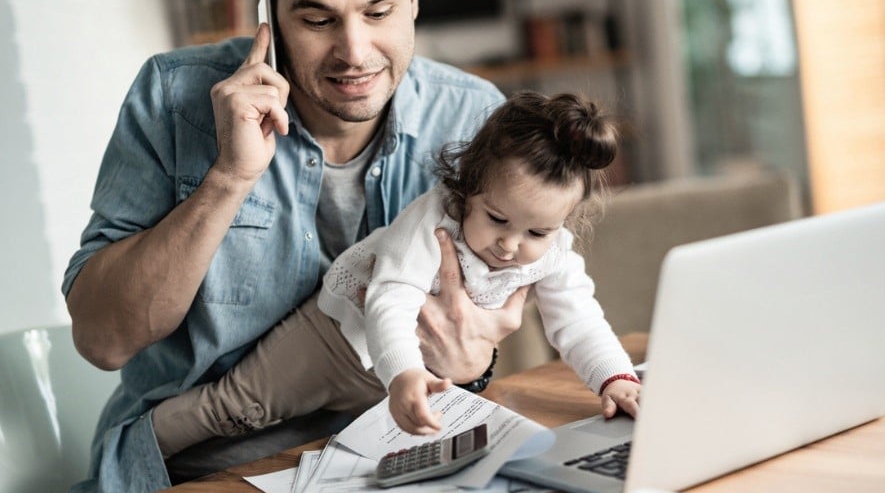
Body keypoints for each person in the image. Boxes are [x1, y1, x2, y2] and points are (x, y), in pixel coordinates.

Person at [61, 0, 519, 493]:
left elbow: (487, 323)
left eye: (379, 11)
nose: (354, 51)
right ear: (269, 14)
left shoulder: (476, 120)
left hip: (397, 461)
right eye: (317, 18)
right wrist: (228, 178)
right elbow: (102, 340)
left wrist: (477, 359)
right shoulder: (172, 101)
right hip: (199, 475)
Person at [150, 91, 641, 455]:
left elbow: (578, 320)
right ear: (468, 187)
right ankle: (145, 443)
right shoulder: (433, 219)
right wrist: (405, 373)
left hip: (398, 376)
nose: (511, 246)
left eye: (538, 232)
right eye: (497, 219)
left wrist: (614, 380)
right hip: (336, 338)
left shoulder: (554, 253)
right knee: (236, 409)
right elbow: (391, 299)